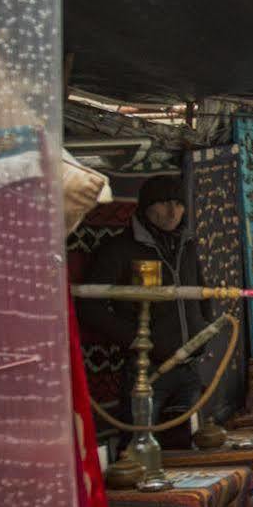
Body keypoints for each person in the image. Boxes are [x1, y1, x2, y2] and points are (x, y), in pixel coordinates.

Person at [78, 173, 210, 422]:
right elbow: (88, 306)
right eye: (164, 203)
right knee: (138, 446)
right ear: (147, 207)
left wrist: (202, 330)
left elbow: (201, 291)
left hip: (189, 368)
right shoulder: (119, 250)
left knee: (187, 445)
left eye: (179, 204)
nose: (173, 211)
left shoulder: (186, 246)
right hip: (147, 370)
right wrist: (139, 341)